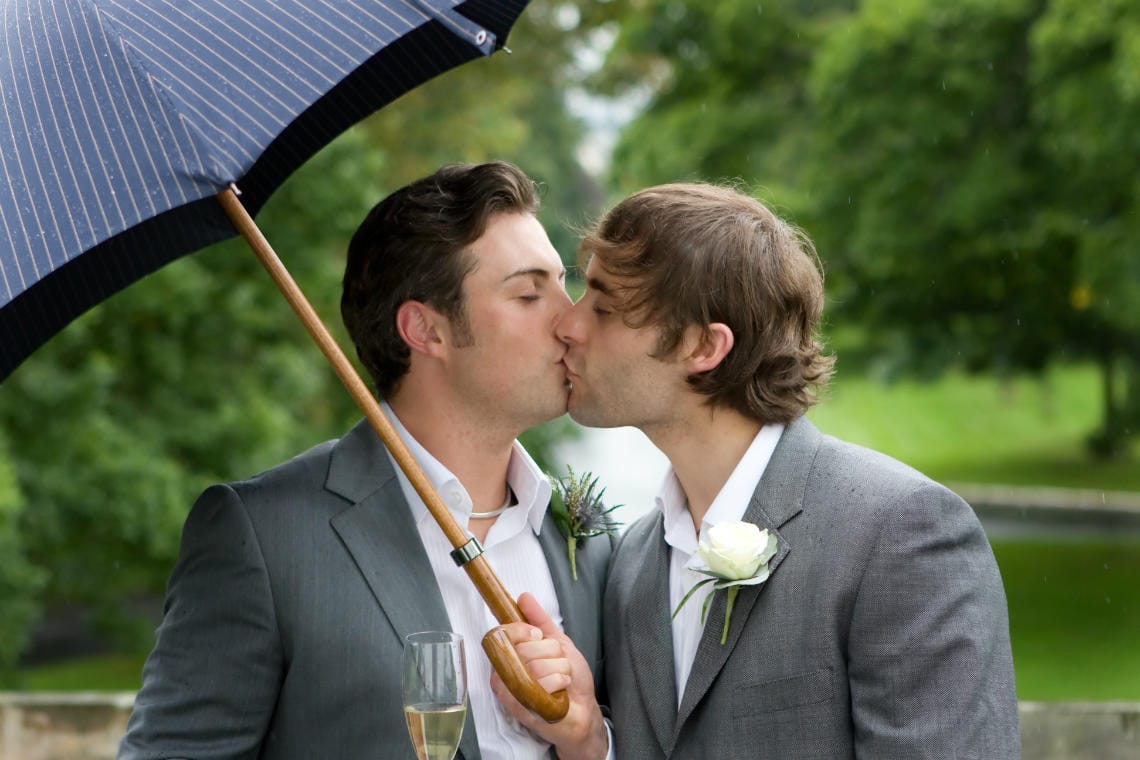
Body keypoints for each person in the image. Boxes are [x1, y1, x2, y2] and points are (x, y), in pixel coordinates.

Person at [501, 182, 1020, 757]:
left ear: (703, 346)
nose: (568, 327)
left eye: (603, 307)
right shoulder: (635, 563)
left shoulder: (900, 536)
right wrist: (591, 742)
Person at [118, 161, 611, 760]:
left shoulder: (589, 537)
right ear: (426, 330)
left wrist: (589, 743)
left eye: (562, 284)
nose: (572, 320)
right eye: (530, 293)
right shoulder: (263, 537)